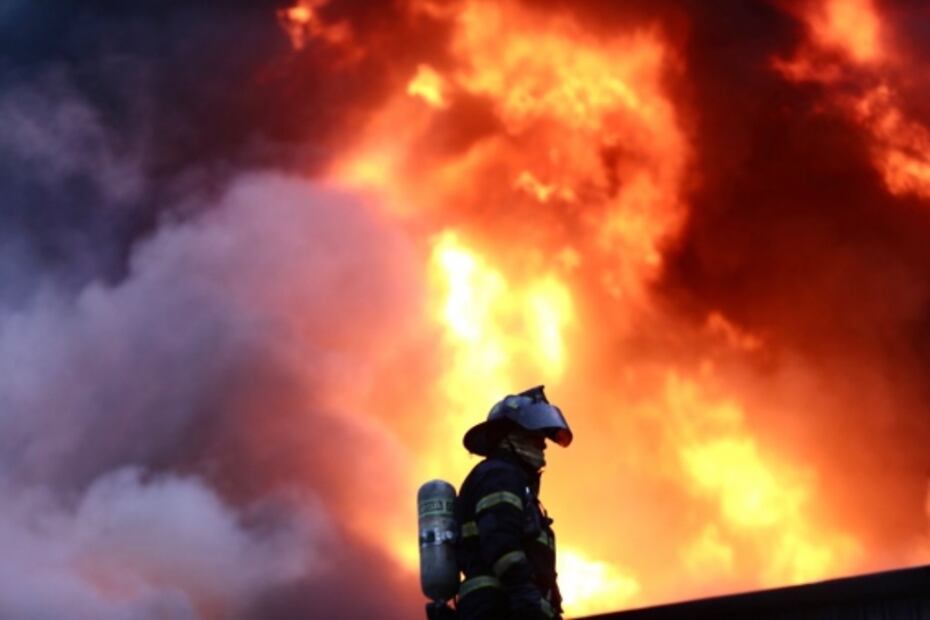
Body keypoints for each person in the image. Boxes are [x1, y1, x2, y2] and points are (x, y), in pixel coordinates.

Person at [454, 385, 572, 620]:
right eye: (536, 437)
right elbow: (501, 541)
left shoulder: (513, 481)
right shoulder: (499, 475)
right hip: (498, 610)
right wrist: (526, 597)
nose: (544, 445)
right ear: (511, 437)